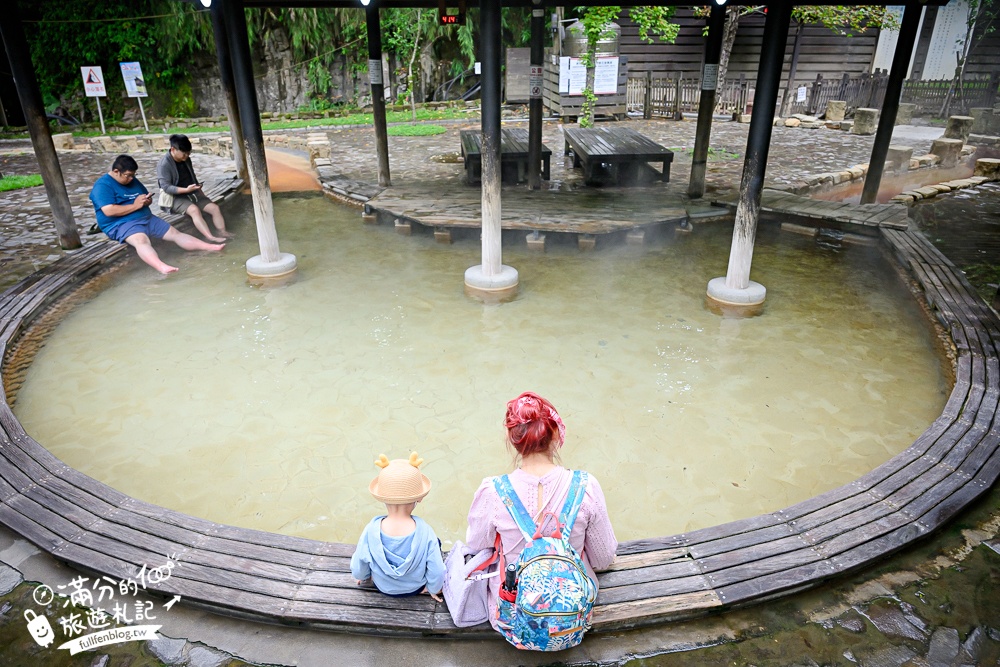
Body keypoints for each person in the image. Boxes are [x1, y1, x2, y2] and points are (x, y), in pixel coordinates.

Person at [463, 391, 618, 633]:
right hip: (573, 615)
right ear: (555, 434)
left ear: (511, 438)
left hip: (514, 615)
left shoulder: (493, 491)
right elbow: (603, 558)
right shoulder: (586, 487)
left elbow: (476, 543)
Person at [89, 155, 224, 275]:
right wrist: (136, 205)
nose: (131, 179)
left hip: (145, 217)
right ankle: (162, 267)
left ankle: (209, 247)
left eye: (133, 175)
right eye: (128, 175)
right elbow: (109, 211)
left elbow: (144, 196)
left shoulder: (132, 180)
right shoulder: (102, 186)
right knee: (141, 240)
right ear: (116, 171)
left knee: (175, 233)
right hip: (120, 223)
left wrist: (147, 201)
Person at [350, 452, 445, 601]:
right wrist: (433, 588)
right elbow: (437, 570)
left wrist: (361, 576)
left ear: (382, 498)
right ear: (420, 498)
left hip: (382, 587)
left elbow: (359, 565)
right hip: (415, 588)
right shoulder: (425, 531)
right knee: (435, 544)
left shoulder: (371, 530)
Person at [157, 134, 232, 242]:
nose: (186, 156)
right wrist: (186, 190)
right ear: (173, 149)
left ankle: (222, 232)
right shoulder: (164, 164)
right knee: (194, 210)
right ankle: (210, 237)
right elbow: (166, 187)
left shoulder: (186, 159)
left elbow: (192, 177)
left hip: (192, 193)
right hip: (175, 198)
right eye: (184, 153)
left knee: (214, 208)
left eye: (188, 153)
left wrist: (199, 190)